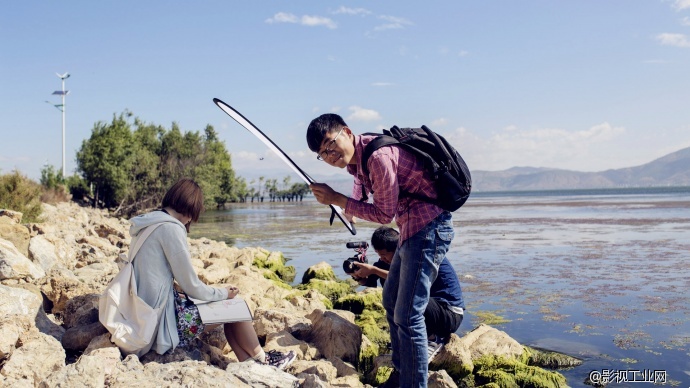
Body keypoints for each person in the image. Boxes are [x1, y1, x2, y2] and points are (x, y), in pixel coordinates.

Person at [307, 114, 459, 387]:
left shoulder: (378, 157)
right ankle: (403, 372)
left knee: (409, 314)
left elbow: (384, 213)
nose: (330, 155)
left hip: (428, 229)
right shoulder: (358, 160)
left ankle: (414, 383)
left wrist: (338, 199)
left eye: (330, 145)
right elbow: (360, 190)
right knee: (391, 300)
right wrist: (346, 209)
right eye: (322, 154)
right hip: (412, 229)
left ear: (347, 132)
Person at [128, 178, 296, 370]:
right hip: (163, 325)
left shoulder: (148, 223)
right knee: (236, 306)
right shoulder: (171, 228)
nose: (191, 220)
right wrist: (224, 293)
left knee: (229, 312)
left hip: (142, 314)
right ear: (190, 207)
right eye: (194, 213)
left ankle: (252, 366)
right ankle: (265, 360)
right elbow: (191, 285)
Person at [352, 226, 464, 362]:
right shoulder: (388, 261)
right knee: (390, 284)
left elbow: (409, 280)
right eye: (379, 255)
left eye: (384, 255)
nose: (383, 259)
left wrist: (374, 270)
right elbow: (371, 281)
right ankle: (404, 340)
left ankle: (431, 340)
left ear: (398, 248)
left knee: (406, 288)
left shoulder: (419, 253)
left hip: (449, 314)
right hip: (431, 308)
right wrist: (360, 276)